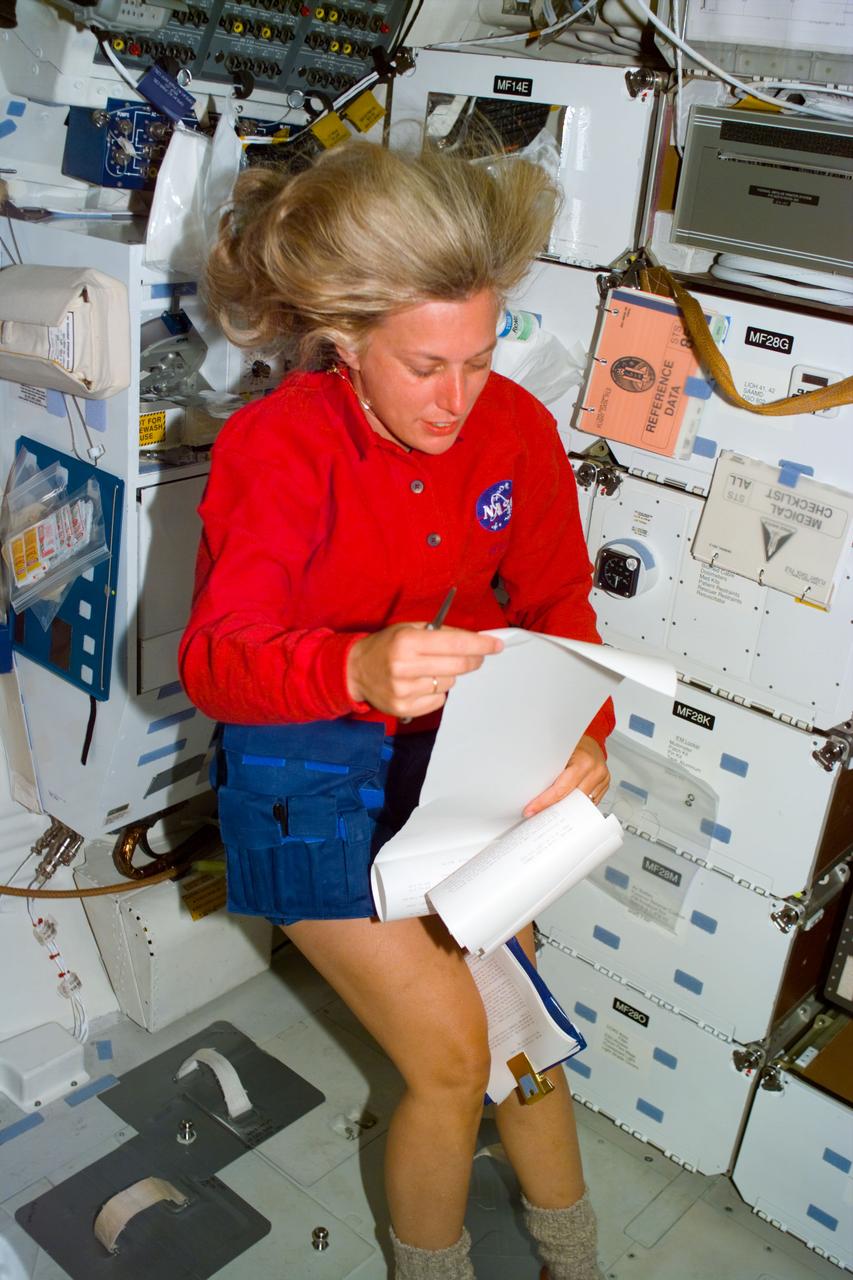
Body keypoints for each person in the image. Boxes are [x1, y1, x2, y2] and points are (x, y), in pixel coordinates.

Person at [179, 137, 612, 1280]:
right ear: (344, 337)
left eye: (480, 356)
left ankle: (577, 1261)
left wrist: (581, 735)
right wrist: (352, 671)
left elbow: (559, 605)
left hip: (458, 764)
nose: (456, 400)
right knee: (451, 1060)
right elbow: (216, 662)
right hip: (304, 774)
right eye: (425, 366)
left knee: (523, 1043)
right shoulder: (278, 444)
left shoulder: (513, 425)